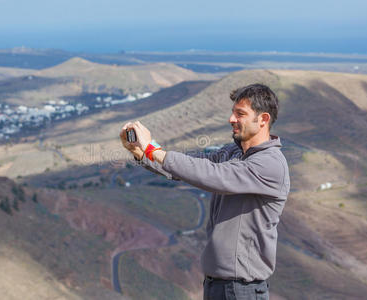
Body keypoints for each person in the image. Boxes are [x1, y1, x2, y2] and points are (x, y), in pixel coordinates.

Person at [119, 83, 290, 300]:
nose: (231, 119)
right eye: (233, 112)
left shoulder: (269, 164)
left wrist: (153, 150)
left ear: (263, 119)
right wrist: (141, 152)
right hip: (218, 285)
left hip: (242, 290)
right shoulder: (233, 152)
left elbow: (212, 175)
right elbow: (191, 168)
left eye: (240, 114)